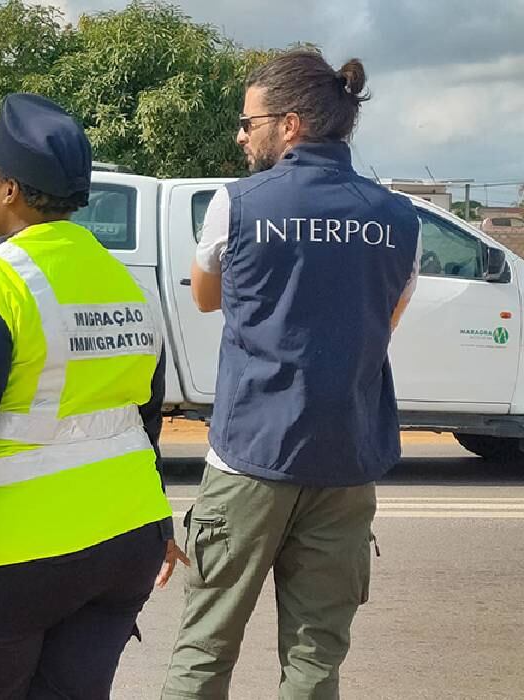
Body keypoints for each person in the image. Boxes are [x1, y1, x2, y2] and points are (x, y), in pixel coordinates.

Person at [0, 92, 186, 698]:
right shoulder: (126, 285)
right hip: (126, 544)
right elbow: (139, 420)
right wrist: (156, 519)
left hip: (10, 562)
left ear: (10, 190)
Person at [161, 50, 421, 699]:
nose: (241, 136)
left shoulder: (238, 203)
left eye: (250, 122)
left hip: (250, 455)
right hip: (346, 462)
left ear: (291, 124)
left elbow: (205, 296)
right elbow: (386, 319)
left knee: (204, 650)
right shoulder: (400, 218)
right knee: (314, 664)